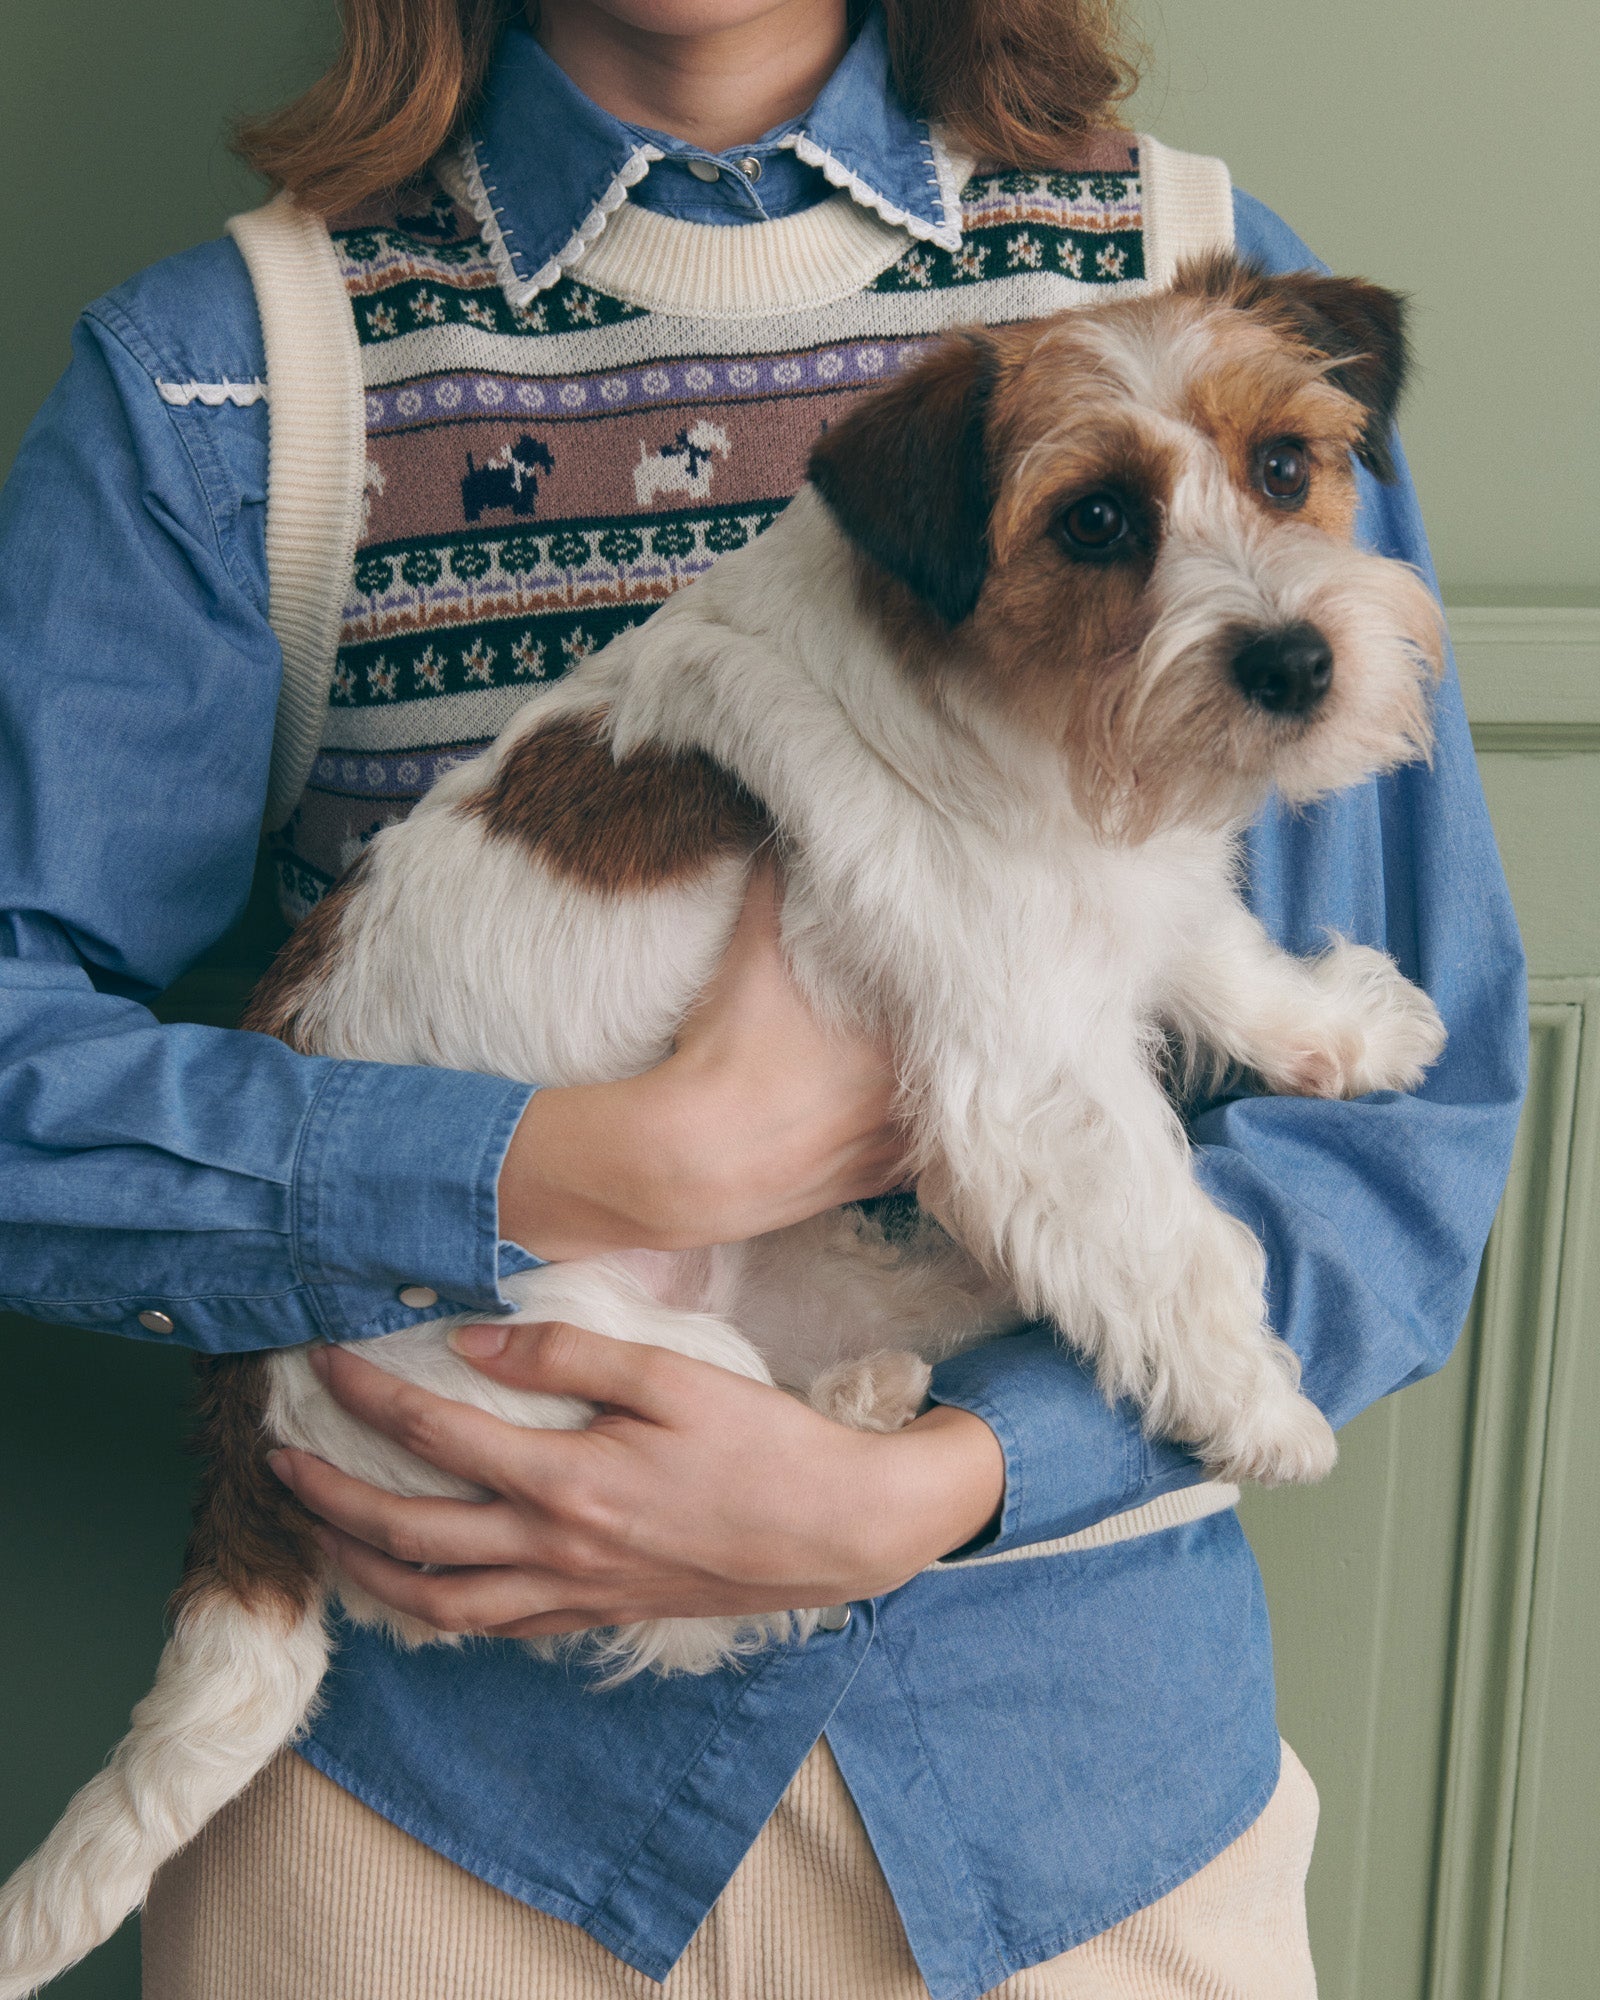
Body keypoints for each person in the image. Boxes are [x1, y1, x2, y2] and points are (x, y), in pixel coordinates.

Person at [0, 2, 1526, 1994]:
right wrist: (563, 1163)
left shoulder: (1206, 279)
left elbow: (1395, 1119)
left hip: (1071, 1799)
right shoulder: (229, 374)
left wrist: (939, 1480)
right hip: (434, 1809)